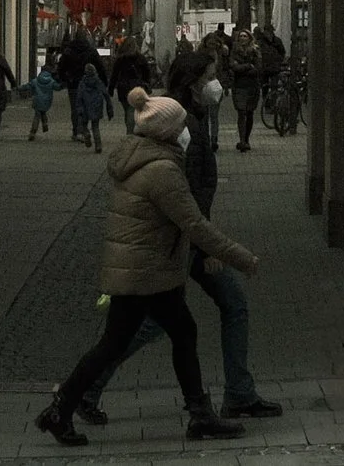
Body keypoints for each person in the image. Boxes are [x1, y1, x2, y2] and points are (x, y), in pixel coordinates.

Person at [35, 89, 259, 446]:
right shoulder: (162, 171)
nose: (187, 131)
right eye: (182, 125)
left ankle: (64, 409)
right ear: (168, 131)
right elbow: (194, 224)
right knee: (133, 340)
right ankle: (64, 408)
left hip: (142, 266)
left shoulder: (140, 156)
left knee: (169, 334)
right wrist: (241, 257)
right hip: (145, 270)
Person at [71, 50, 282, 427]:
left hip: (184, 238)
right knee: (162, 323)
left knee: (187, 319)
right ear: (194, 81)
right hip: (181, 241)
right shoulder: (180, 126)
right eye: (212, 76)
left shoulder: (188, 117)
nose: (217, 84)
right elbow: (185, 198)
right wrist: (211, 250)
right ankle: (86, 392)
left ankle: (231, 396)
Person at [110, 40, 155, 133]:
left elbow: (114, 75)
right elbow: (147, 73)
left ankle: (130, 130)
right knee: (133, 110)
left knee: (128, 110)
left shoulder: (120, 59)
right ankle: (132, 131)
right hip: (137, 87)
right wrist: (148, 85)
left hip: (123, 88)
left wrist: (111, 88)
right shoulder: (140, 58)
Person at [229, 33, 263, 152]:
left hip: (252, 86)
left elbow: (257, 69)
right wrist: (249, 66)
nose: (243, 38)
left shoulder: (255, 51)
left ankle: (246, 139)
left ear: (249, 38)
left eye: (245, 36)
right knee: (241, 112)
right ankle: (242, 140)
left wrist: (242, 68)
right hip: (239, 86)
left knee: (249, 113)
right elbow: (233, 67)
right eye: (241, 36)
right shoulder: (234, 51)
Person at [75, 58, 110, 151]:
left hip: (85, 106)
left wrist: (78, 107)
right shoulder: (98, 82)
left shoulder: (82, 83)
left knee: (83, 124)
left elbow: (79, 96)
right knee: (95, 127)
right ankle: (98, 145)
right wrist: (109, 107)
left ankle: (86, 134)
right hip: (96, 105)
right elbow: (105, 94)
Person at [27, 60, 60, 141]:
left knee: (37, 116)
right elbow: (57, 87)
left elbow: (27, 86)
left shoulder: (35, 80)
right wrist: (63, 85)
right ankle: (45, 123)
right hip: (47, 101)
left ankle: (33, 132)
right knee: (43, 112)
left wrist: (18, 88)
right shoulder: (51, 81)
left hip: (37, 101)